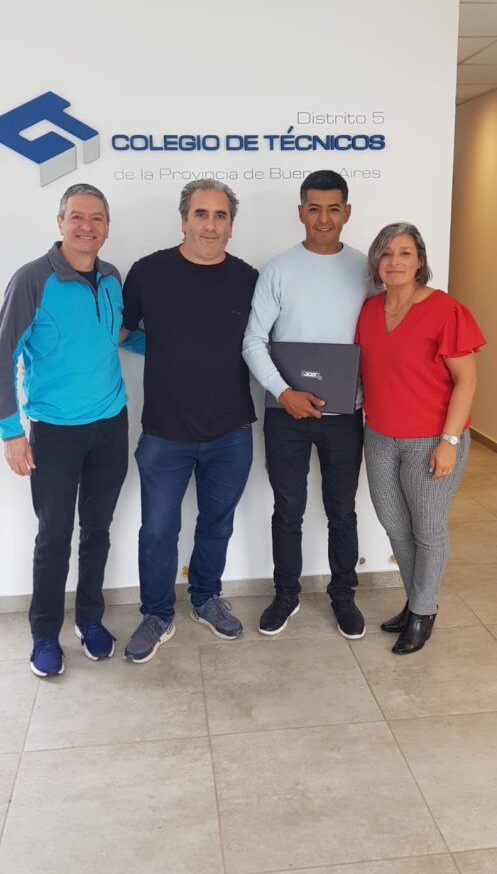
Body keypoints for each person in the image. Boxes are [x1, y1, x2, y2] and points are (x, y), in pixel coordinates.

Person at [122, 179, 257, 663]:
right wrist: (163, 347)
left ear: (231, 226)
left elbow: (262, 343)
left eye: (220, 216)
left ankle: (205, 597)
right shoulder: (148, 272)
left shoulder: (248, 278)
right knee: (158, 530)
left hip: (231, 431)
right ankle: (157, 614)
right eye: (201, 214)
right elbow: (121, 332)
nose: (210, 225)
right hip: (165, 433)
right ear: (184, 220)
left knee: (217, 523)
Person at [0, 183, 128, 677]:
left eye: (97, 218)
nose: (87, 227)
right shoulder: (32, 280)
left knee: (98, 529)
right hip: (54, 432)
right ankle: (43, 635)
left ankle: (90, 620)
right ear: (60, 222)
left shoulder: (112, 277)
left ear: (107, 227)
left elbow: (116, 335)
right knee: (54, 535)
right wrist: (11, 432)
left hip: (111, 424)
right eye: (77, 217)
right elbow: (3, 355)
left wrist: (181, 341)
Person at [243, 169, 371, 639]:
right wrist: (284, 392)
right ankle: (285, 595)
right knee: (288, 508)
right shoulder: (278, 269)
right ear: (300, 212)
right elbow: (253, 340)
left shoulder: (367, 270)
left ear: (347, 212)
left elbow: (381, 335)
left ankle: (343, 596)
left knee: (342, 510)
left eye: (333, 208)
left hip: (345, 416)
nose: (323, 218)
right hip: (286, 414)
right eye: (314, 208)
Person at [356, 223, 485, 654]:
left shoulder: (445, 310)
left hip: (431, 440)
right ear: (376, 261)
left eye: (405, 253)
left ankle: (423, 613)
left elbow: (466, 381)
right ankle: (416, 602)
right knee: (394, 524)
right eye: (386, 253)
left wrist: (449, 441)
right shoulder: (369, 310)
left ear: (420, 261)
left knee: (427, 529)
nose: (394, 261)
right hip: (379, 435)